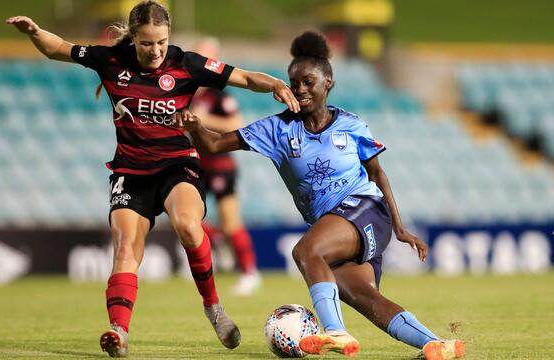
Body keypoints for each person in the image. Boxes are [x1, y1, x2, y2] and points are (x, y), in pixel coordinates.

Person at [6, 1, 299, 357]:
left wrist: (277, 85)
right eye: (147, 43)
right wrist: (35, 33)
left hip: (177, 164)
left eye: (161, 42)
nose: (156, 50)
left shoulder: (187, 63)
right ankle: (118, 331)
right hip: (130, 171)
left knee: (190, 227)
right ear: (133, 39)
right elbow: (59, 49)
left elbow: (245, 77)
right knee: (126, 249)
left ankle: (213, 308)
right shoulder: (111, 60)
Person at [174, 31, 466, 360]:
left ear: (328, 83)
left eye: (308, 82)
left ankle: (335, 333)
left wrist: (399, 228)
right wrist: (195, 127)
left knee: (306, 251)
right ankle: (436, 344)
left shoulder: (353, 126)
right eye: (293, 83)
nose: (299, 89)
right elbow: (213, 144)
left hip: (367, 209)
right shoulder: (277, 130)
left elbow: (378, 173)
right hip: (338, 227)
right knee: (361, 296)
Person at [190, 37, 261, 296]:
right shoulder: (183, 91)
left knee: (231, 222)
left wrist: (205, 120)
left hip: (220, 164)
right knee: (186, 219)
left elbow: (236, 124)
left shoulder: (219, 95)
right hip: (193, 162)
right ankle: (216, 241)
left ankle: (249, 272)